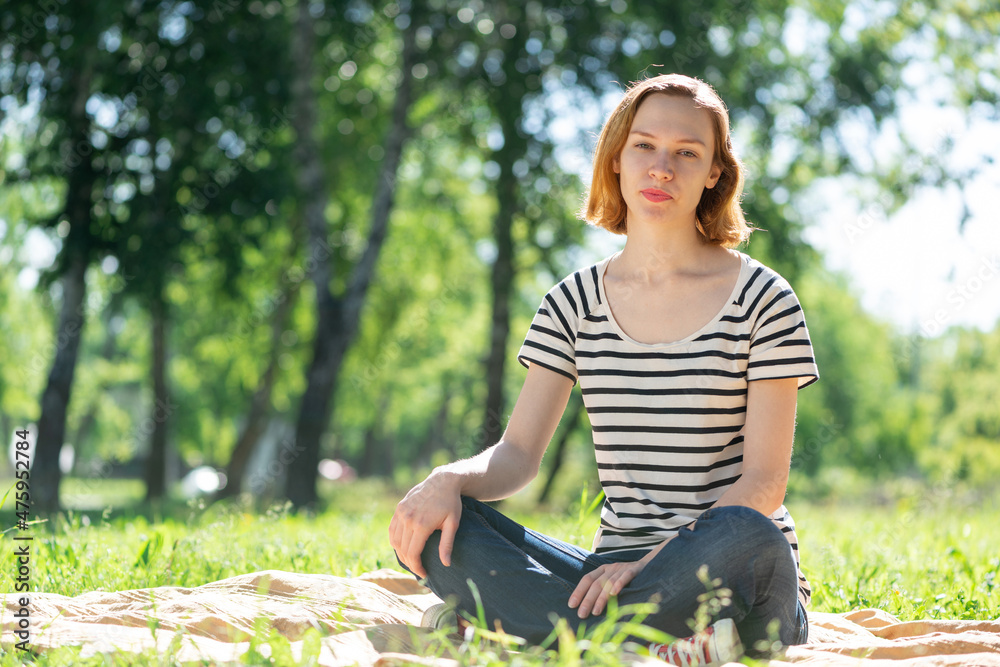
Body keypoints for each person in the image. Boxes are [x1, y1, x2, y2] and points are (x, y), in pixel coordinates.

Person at [389, 73, 819, 666]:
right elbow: (516, 457)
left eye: (686, 153)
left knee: (751, 534)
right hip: (603, 578)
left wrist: (646, 566)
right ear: (616, 158)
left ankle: (535, 629)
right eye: (644, 145)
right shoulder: (571, 303)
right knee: (443, 528)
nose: (662, 167)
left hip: (731, 574)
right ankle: (656, 645)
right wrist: (447, 480)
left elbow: (765, 484)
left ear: (714, 172)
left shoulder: (765, 299)